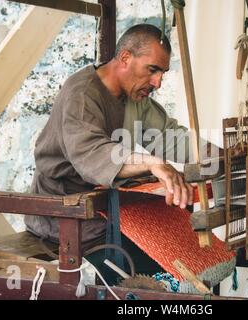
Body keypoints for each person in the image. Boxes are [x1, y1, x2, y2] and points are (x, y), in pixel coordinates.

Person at [25, 24, 217, 281]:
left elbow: (170, 137)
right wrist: (151, 163)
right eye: (153, 70)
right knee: (150, 270)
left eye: (162, 73)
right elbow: (93, 154)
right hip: (67, 215)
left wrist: (220, 158)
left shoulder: (135, 99)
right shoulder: (81, 95)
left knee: (178, 246)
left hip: (107, 209)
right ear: (125, 57)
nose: (158, 82)